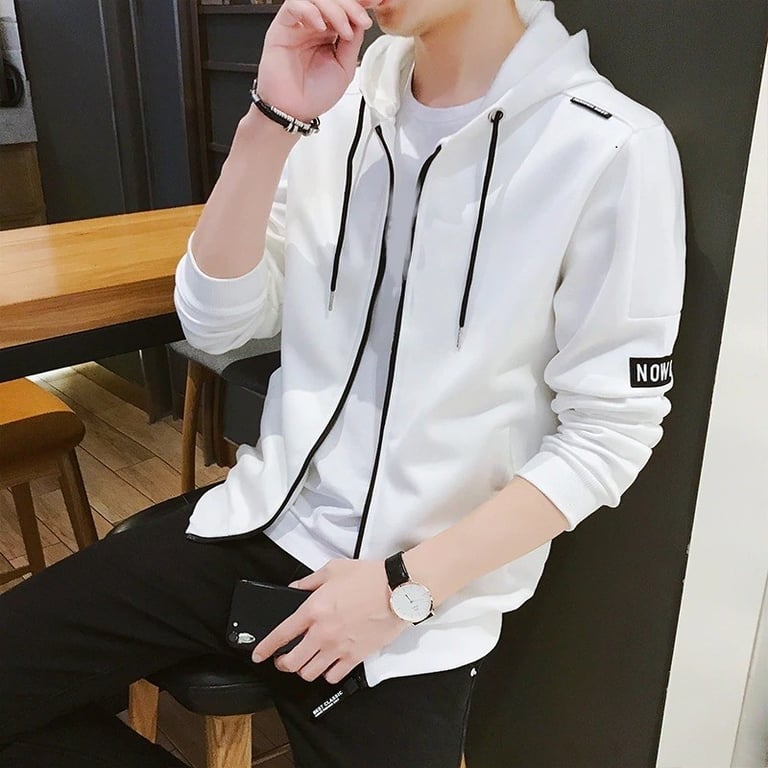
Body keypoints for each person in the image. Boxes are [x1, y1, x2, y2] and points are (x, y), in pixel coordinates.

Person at [0, 0, 686, 765]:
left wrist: (402, 590)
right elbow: (216, 324)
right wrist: (270, 120)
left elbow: (609, 432)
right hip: (262, 523)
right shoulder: (341, 107)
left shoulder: (608, 145)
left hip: (421, 607)